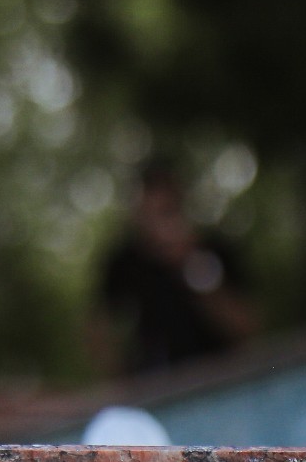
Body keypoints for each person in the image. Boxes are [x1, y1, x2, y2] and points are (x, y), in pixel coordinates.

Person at [95, 159, 257, 375]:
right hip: (158, 385)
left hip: (220, 377)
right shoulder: (124, 263)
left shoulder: (212, 251)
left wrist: (192, 264)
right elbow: (96, 328)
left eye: (166, 211)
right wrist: (121, 381)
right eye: (150, 213)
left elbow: (247, 328)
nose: (159, 224)